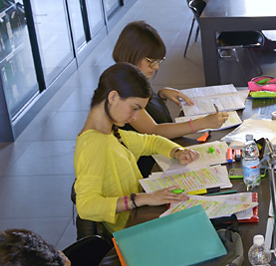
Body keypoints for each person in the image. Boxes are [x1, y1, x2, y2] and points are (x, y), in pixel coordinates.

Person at [74, 63, 200, 234]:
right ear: (113, 97)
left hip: (142, 217)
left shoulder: (110, 133)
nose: (134, 117)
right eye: (134, 108)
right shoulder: (93, 144)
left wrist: (177, 152)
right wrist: (140, 199)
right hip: (133, 230)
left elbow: (152, 142)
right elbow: (86, 206)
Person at [112, 21, 228, 135]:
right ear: (132, 55)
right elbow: (154, 131)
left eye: (158, 61)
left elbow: (149, 111)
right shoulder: (123, 91)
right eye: (151, 61)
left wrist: (161, 95)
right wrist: (203, 123)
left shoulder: (132, 76)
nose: (156, 67)